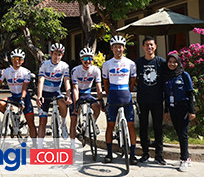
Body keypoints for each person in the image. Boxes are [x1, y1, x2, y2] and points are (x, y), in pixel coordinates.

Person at [102, 36, 138, 165]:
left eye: (120, 46)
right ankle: (109, 153)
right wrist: (108, 95)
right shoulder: (106, 64)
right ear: (112, 48)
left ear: (124, 48)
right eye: (115, 46)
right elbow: (105, 82)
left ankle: (133, 154)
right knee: (110, 126)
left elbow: (133, 80)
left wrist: (128, 90)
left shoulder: (130, 63)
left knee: (131, 125)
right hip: (113, 96)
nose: (118, 49)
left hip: (126, 95)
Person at [0, 49, 37, 147]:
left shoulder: (26, 72)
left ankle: (35, 145)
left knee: (31, 122)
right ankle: (13, 117)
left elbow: (25, 88)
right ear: (11, 60)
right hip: (13, 97)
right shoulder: (7, 71)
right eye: (14, 59)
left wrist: (22, 100)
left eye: (19, 59)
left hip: (24, 97)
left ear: (22, 61)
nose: (17, 61)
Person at [135, 36, 166, 165]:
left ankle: (159, 154)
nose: (149, 47)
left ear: (155, 46)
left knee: (158, 127)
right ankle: (145, 152)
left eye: (151, 45)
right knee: (143, 127)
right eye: (147, 45)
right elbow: (133, 79)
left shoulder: (161, 62)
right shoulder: (138, 63)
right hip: (143, 100)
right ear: (143, 47)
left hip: (158, 100)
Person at [36, 43, 72, 148]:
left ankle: (64, 124)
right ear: (51, 53)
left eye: (59, 55)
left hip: (56, 92)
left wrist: (68, 96)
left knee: (63, 102)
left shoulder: (64, 66)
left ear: (62, 55)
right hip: (45, 92)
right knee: (43, 121)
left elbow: (67, 81)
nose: (57, 57)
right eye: (55, 54)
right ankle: (39, 146)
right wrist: (39, 95)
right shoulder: (44, 65)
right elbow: (41, 81)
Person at [163, 53, 195, 172]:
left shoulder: (184, 75)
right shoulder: (167, 77)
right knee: (179, 133)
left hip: (183, 108)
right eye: (170, 62)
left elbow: (190, 93)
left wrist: (192, 111)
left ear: (178, 63)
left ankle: (184, 159)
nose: (172, 64)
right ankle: (186, 157)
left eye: (174, 62)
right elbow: (166, 95)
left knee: (183, 134)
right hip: (172, 108)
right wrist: (166, 111)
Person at [69, 47, 104, 149]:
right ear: (81, 59)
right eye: (85, 59)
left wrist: (101, 100)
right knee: (73, 119)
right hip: (77, 93)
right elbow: (75, 89)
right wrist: (76, 104)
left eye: (90, 59)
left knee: (97, 108)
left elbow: (98, 87)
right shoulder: (76, 70)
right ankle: (72, 145)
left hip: (87, 93)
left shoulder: (96, 70)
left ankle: (90, 123)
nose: (87, 61)